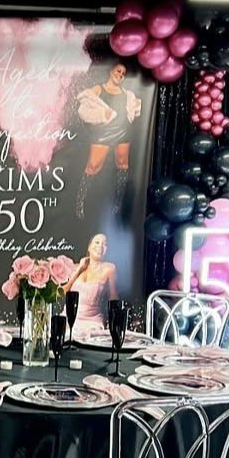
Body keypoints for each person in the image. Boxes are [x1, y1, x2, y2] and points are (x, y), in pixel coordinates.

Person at [75, 61, 141, 218]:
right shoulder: (99, 88)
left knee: (122, 164)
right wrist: (101, 114)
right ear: (111, 71)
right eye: (118, 71)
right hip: (103, 132)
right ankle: (79, 202)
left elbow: (133, 111)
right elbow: (84, 105)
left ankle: (118, 203)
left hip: (123, 131)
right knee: (92, 166)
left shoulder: (127, 93)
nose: (120, 75)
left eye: (123, 74)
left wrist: (135, 106)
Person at [65, 233, 118, 328]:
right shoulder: (76, 267)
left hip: (91, 322)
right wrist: (79, 269)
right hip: (68, 318)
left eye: (104, 244)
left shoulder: (109, 268)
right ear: (89, 247)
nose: (100, 246)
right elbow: (62, 292)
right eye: (97, 242)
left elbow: (113, 299)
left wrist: (114, 324)